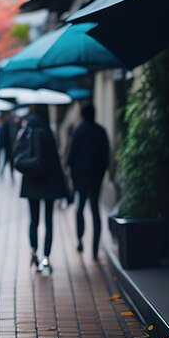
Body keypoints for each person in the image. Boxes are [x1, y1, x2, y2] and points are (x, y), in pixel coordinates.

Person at [16, 104, 67, 274]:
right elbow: (55, 161)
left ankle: (33, 253)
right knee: (48, 221)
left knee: (34, 221)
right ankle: (46, 258)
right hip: (49, 183)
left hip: (31, 181)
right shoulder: (47, 132)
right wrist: (64, 189)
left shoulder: (26, 129)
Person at [66, 103, 110, 260]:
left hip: (81, 177)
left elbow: (71, 156)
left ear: (83, 115)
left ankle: (79, 240)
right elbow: (106, 155)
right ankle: (95, 249)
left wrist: (71, 175)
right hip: (96, 177)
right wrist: (103, 173)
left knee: (80, 208)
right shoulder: (101, 131)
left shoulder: (79, 131)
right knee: (95, 210)